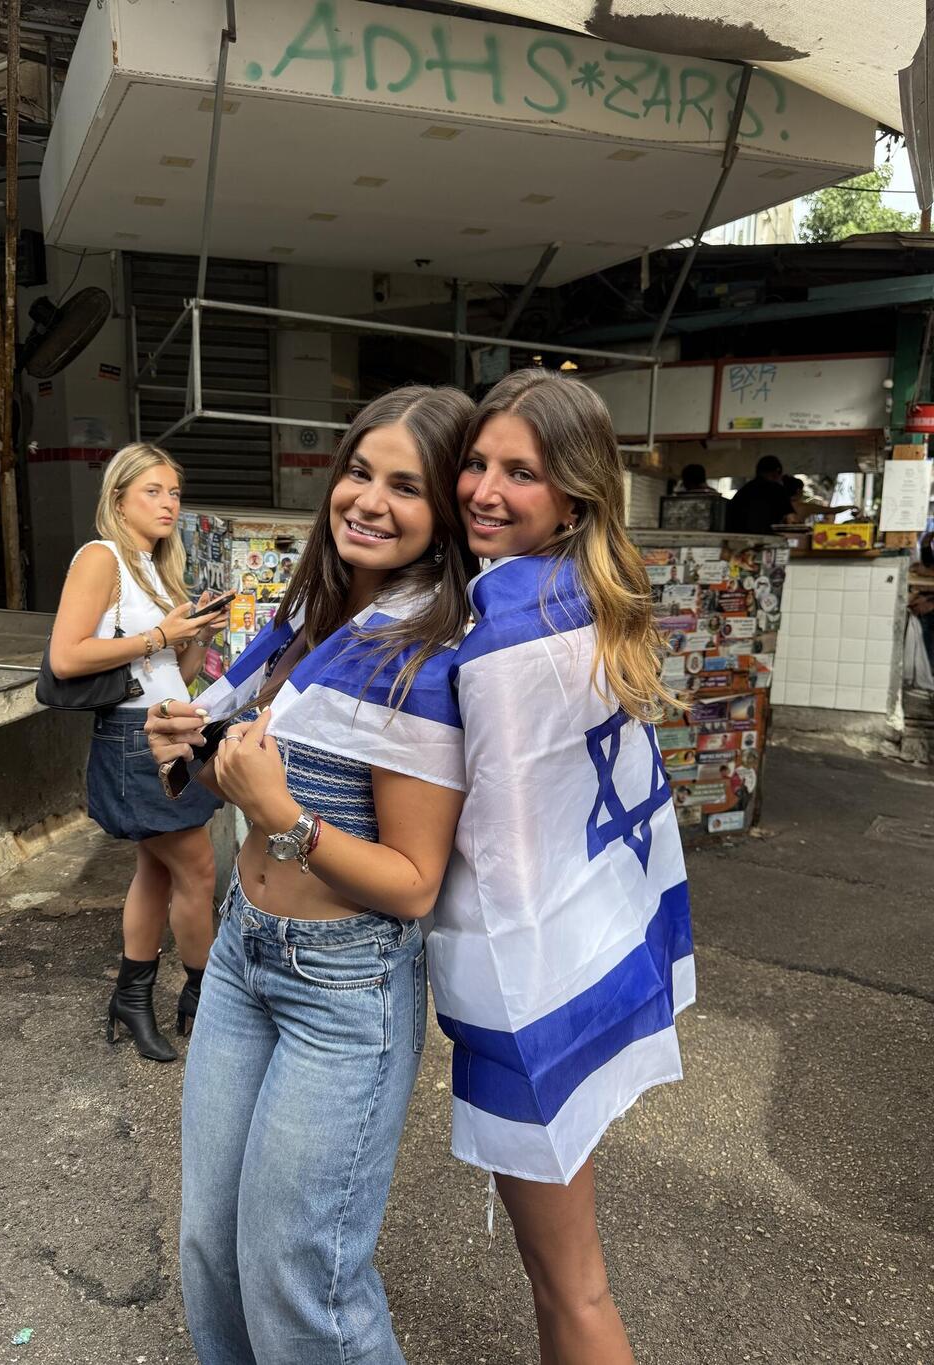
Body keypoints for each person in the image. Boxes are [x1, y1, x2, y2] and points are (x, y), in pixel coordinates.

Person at [144, 387, 476, 1364]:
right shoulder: (310, 615)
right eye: (360, 473)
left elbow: (413, 882)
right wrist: (193, 746)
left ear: (446, 513)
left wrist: (281, 816)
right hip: (245, 955)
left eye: (405, 486)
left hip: (345, 988)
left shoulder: (425, 652)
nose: (368, 501)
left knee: (298, 1274)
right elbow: (217, 755)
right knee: (210, 1242)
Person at [428, 369, 695, 1365]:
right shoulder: (590, 592)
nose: (482, 491)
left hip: (526, 985)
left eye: (520, 474)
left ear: (573, 493)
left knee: (572, 1286)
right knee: (563, 1277)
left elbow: (466, 819)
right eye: (477, 464)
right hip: (602, 949)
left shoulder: (491, 623)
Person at [48, 444, 228, 1063]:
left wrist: (191, 636)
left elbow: (168, 670)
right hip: (134, 738)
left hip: (168, 728)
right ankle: (203, 998)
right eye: (153, 491)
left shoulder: (154, 568)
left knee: (156, 871)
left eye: (175, 492)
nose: (169, 503)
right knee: (199, 870)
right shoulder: (101, 558)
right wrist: (159, 633)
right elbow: (66, 656)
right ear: (118, 498)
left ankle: (133, 998)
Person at [726, 454, 795, 534]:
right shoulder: (778, 490)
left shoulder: (745, 490)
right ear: (777, 471)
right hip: (768, 538)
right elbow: (792, 519)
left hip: (739, 537)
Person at [782, 475, 860, 523]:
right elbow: (833, 510)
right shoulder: (803, 508)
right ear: (798, 491)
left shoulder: (777, 504)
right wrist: (850, 507)